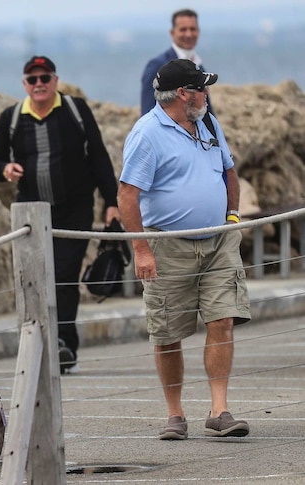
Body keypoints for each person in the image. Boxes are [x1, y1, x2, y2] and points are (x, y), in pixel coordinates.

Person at [118, 59, 252, 440]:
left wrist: (232, 218)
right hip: (167, 245)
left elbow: (229, 171)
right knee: (167, 333)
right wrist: (141, 251)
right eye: (201, 88)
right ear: (183, 94)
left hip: (219, 242)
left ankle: (220, 410)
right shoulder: (147, 133)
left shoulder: (208, 121)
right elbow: (128, 195)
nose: (207, 94)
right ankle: (175, 414)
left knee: (222, 319)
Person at [0, 55, 120, 374]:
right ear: (24, 85)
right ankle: (40, 342)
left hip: (76, 208)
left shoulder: (75, 110)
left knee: (63, 274)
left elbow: (99, 156)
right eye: (33, 80)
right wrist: (5, 168)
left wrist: (111, 202)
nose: (39, 84)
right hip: (33, 212)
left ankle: (64, 345)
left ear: (55, 81)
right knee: (36, 277)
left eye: (45, 78)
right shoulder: (12, 117)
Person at [141, 9, 213, 116]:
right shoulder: (157, 66)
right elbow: (148, 112)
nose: (189, 34)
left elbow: (206, 111)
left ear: (198, 31)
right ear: (172, 33)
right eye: (183, 29)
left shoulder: (199, 66)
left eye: (192, 29)